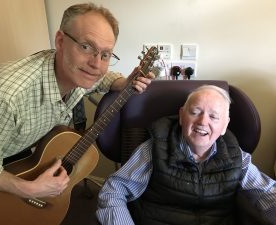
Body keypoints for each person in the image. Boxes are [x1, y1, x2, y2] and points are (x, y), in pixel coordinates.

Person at [0, 3, 154, 200]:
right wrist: (31, 189)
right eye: (86, 47)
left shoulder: (77, 74)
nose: (96, 64)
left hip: (21, 156)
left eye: (105, 55)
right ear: (60, 41)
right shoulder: (5, 96)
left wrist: (123, 83)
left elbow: (101, 78)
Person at [97, 85, 276, 225]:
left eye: (214, 116)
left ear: (224, 126)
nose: (203, 121)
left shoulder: (238, 157)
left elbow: (267, 193)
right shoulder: (153, 150)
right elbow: (113, 190)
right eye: (195, 112)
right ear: (182, 116)